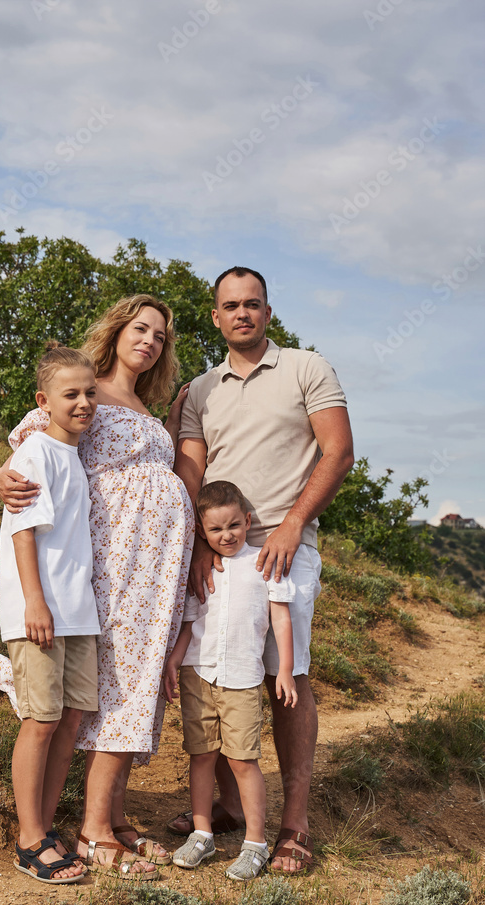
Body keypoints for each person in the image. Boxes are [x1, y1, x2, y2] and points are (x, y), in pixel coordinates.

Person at [0, 295, 194, 880]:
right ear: (117, 331)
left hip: (148, 573)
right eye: (140, 328)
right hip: (111, 564)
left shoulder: (148, 407)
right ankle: (81, 827)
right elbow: (30, 444)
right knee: (104, 690)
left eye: (160, 335)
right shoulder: (87, 391)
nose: (150, 340)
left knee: (122, 688)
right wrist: (0, 477)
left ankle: (115, 817)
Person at [169, 266, 354, 874]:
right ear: (216, 317)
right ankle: (226, 807)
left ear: (268, 312)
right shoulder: (198, 390)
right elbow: (192, 467)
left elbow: (338, 450)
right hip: (218, 552)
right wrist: (199, 542)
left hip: (282, 545)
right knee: (220, 674)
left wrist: (296, 523)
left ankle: (294, 827)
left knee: (286, 676)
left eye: (253, 303)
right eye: (230, 305)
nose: (242, 313)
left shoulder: (306, 367)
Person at [0, 343, 101, 884]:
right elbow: (23, 531)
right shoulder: (36, 450)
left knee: (71, 720)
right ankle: (28, 839)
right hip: (40, 610)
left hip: (78, 613)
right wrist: (35, 600)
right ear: (44, 400)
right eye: (71, 394)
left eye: (90, 393)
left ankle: (46, 825)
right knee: (40, 720)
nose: (83, 402)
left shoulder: (74, 456)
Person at [163, 481, 297, 881]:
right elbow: (190, 624)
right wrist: (173, 661)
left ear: (248, 520)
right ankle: (202, 834)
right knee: (201, 755)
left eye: (234, 525)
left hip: (242, 678)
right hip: (198, 673)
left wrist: (286, 670)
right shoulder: (203, 568)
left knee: (242, 759)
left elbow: (281, 620)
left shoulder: (263, 563)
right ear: (203, 533)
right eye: (216, 530)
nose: (227, 536)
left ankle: (255, 844)